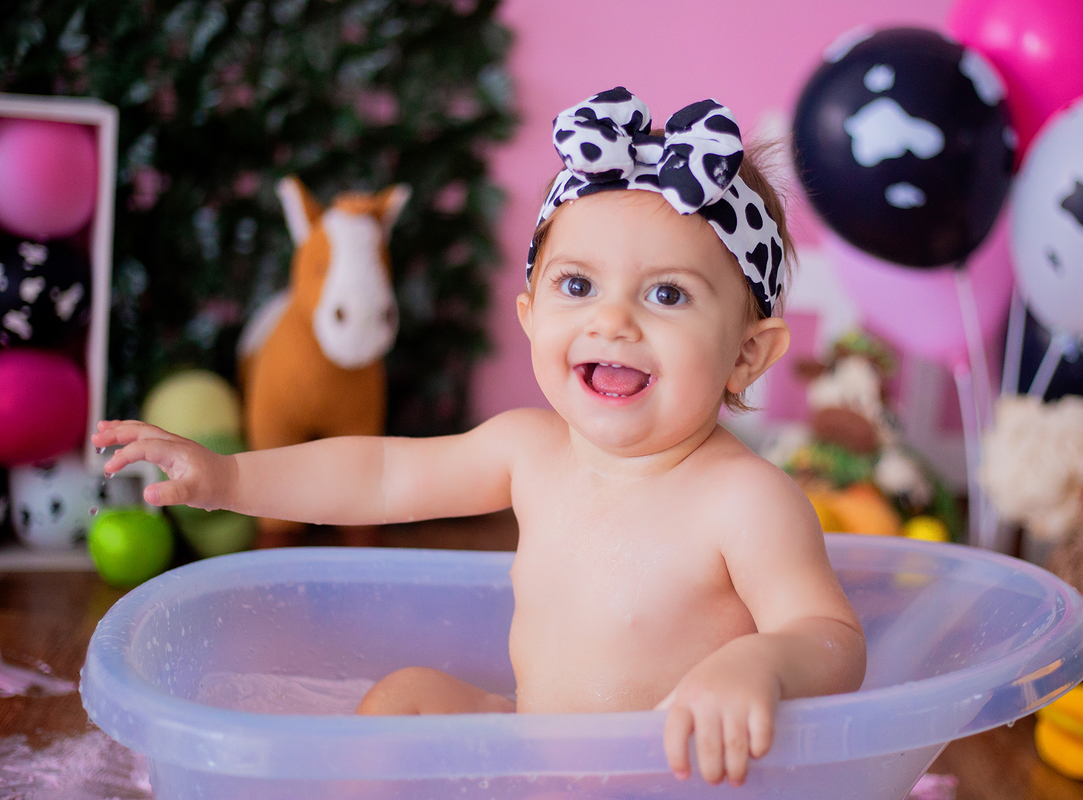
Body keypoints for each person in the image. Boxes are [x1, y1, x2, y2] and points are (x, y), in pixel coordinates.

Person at [92, 88, 866, 788]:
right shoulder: (529, 450)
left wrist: (756, 665)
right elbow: (381, 477)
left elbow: (830, 636)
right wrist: (230, 480)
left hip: (662, 774)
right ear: (531, 315)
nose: (612, 320)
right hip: (533, 750)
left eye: (667, 293)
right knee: (405, 699)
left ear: (746, 355)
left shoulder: (746, 500)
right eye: (577, 285)